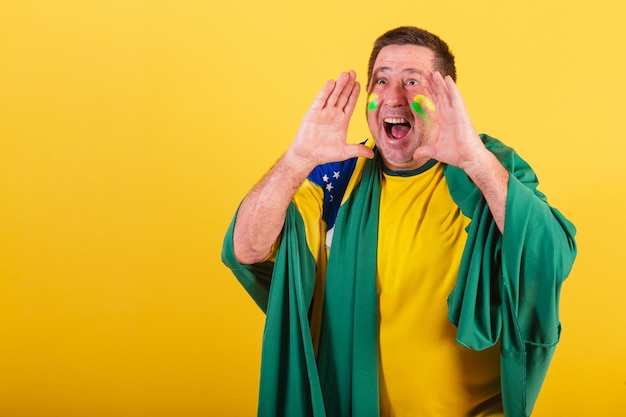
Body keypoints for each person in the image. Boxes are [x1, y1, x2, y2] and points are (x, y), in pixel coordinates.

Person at [221, 26, 577, 417]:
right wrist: (296, 160)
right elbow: (247, 250)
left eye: (412, 81)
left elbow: (550, 258)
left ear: (444, 97)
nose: (394, 97)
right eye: (382, 81)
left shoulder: (487, 170)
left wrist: (477, 163)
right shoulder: (337, 178)